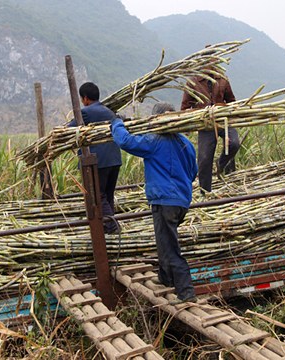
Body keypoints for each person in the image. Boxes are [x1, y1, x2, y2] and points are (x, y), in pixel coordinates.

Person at [110, 102, 198, 305]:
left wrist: (117, 123)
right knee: (164, 240)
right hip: (182, 201)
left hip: (164, 201)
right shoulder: (186, 143)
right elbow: (193, 172)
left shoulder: (155, 141)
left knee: (169, 246)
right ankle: (165, 278)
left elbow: (126, 142)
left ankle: (186, 292)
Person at [68, 82, 122, 234]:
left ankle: (112, 227)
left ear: (85, 98)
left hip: (99, 161)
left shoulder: (86, 113)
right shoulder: (109, 111)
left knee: (98, 195)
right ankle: (108, 227)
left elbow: (69, 131)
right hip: (114, 159)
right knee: (107, 195)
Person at [181, 65, 240, 192]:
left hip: (223, 121)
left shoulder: (222, 79)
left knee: (234, 143)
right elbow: (185, 107)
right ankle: (205, 191)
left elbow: (231, 101)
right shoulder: (193, 81)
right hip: (205, 124)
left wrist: (231, 112)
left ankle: (221, 164)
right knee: (204, 159)